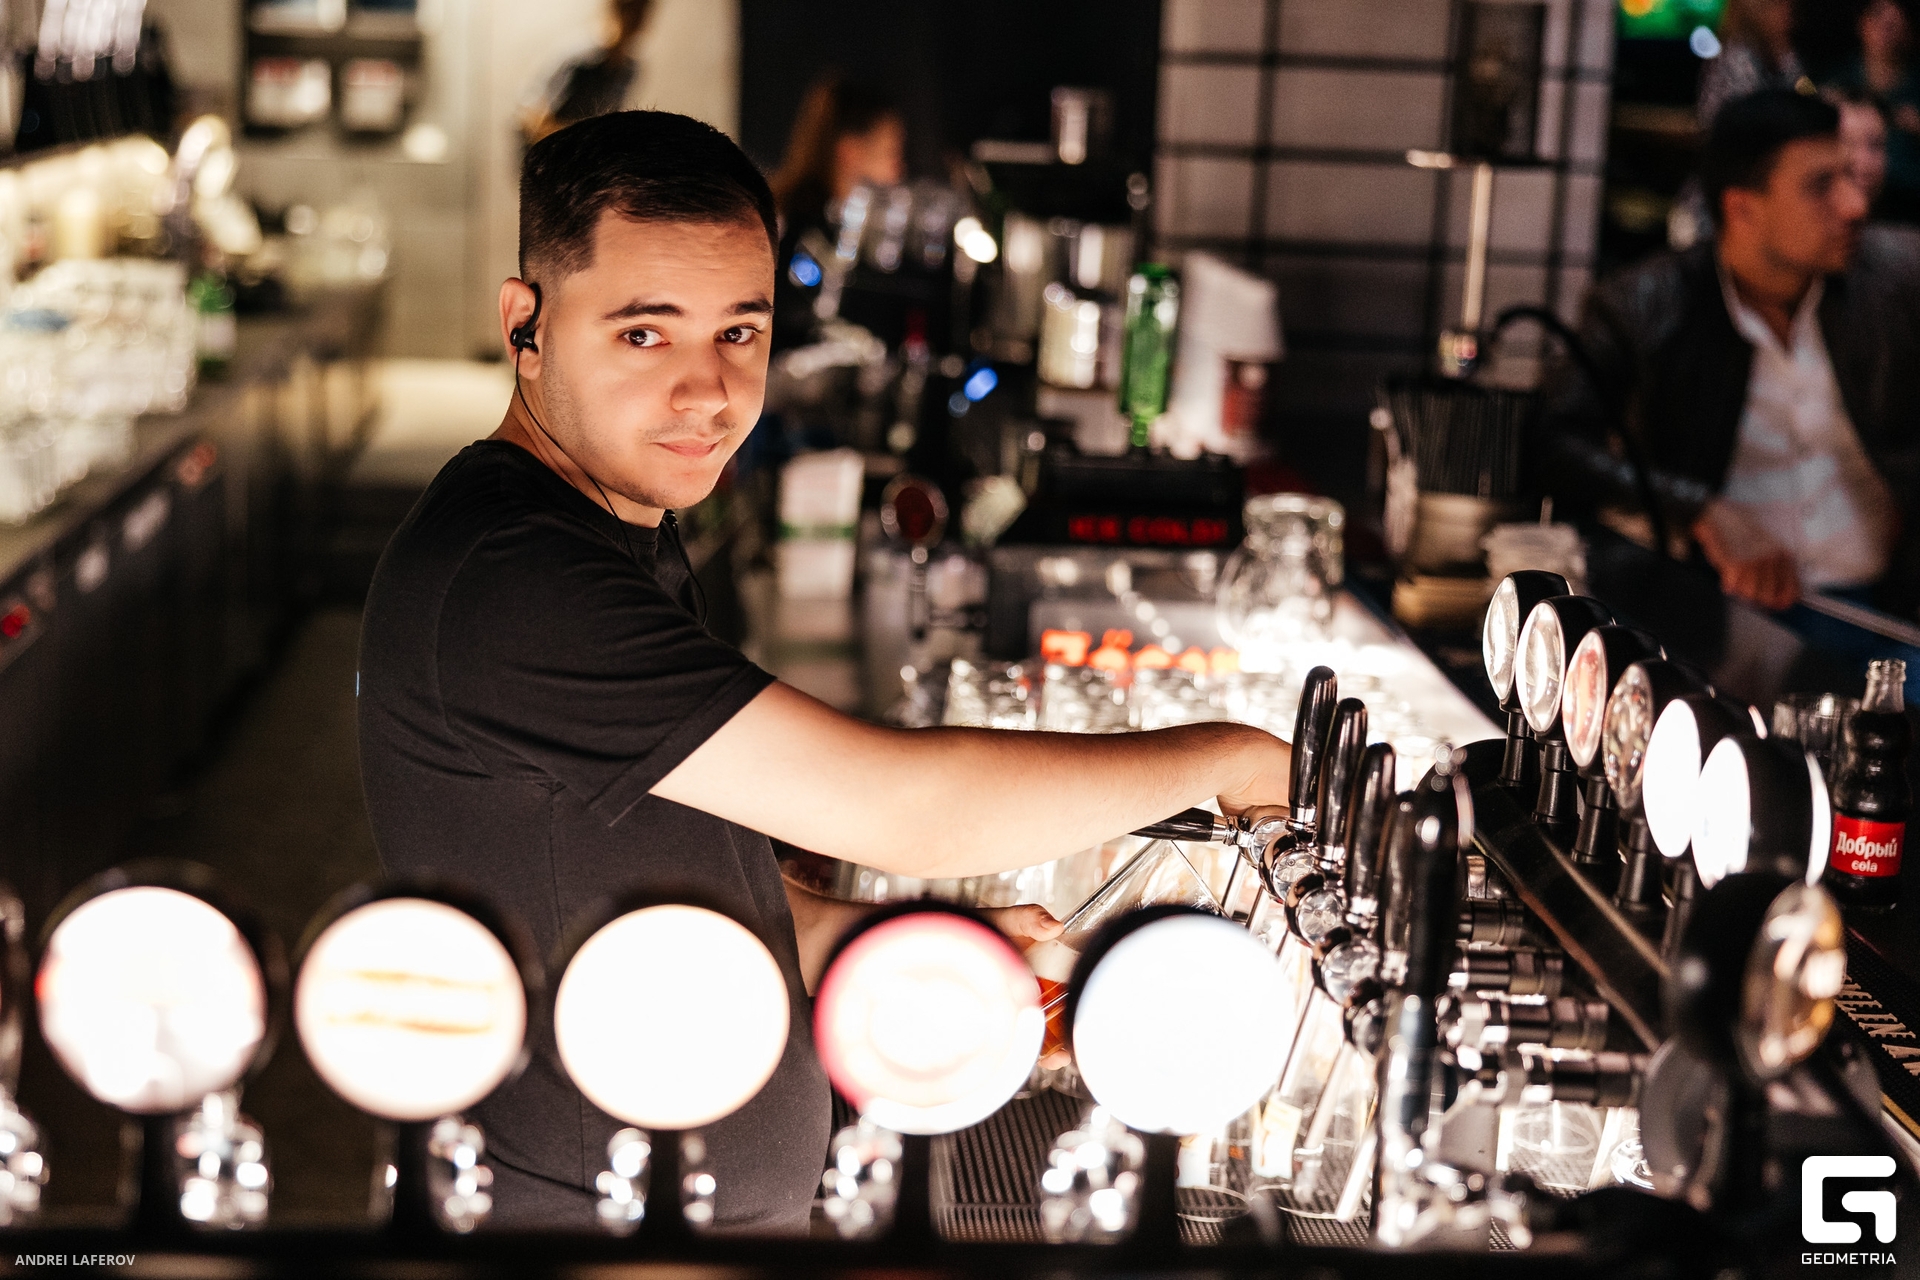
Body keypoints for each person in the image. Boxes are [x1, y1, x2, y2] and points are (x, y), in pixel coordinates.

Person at [356, 111, 1293, 1235]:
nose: (707, 391)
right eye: (645, 335)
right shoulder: (516, 577)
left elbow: (671, 888)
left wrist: (911, 947)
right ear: (526, 324)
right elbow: (902, 807)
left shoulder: (610, 527)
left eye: (738, 333)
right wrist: (1232, 759)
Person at [1542, 89, 1920, 622]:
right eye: (1821, 186)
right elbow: (1551, 442)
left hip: (1883, 610)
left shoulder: (1897, 279)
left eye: (1851, 178)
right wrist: (1697, 508)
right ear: (1742, 208)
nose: (1855, 206)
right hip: (1711, 607)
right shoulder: (1646, 303)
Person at [766, 76, 906, 352]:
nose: (899, 171)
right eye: (891, 154)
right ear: (850, 152)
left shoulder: (827, 220)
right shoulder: (800, 228)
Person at [517, 0, 656, 149]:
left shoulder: (629, 70)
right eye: (628, 10)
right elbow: (532, 104)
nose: (633, 18)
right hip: (551, 147)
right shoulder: (579, 54)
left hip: (579, 148)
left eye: (639, 12)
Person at [1830, 0, 1920, 220]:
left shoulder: (1915, 87)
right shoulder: (1835, 82)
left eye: (1894, 24)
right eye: (1877, 18)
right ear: (1862, 23)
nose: (1885, 31)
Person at [1699, 0, 1806, 127]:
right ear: (1758, 14)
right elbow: (1752, 118)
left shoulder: (1782, 52)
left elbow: (1802, 98)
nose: (1789, 17)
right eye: (1779, 7)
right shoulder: (1736, 55)